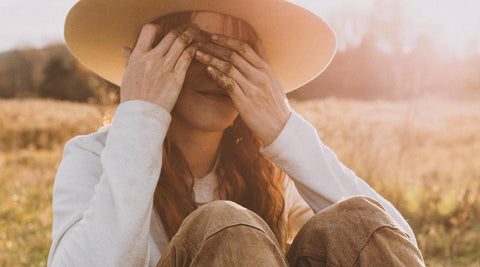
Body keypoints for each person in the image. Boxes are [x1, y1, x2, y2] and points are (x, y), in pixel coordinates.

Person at [48, 0, 425, 266]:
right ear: (152, 58)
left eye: (232, 54)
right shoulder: (92, 157)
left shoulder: (269, 167)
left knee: (356, 218)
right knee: (226, 225)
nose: (215, 72)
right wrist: (142, 114)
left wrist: (282, 127)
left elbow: (386, 240)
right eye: (193, 47)